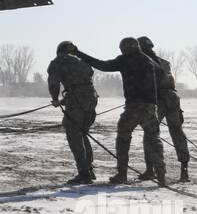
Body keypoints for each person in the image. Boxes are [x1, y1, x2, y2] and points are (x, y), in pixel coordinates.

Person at [72, 38, 167, 186]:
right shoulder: (150, 61)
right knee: (154, 140)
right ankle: (161, 176)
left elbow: (101, 65)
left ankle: (122, 174)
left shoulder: (125, 60)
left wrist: (78, 53)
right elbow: (162, 75)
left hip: (133, 107)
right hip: (150, 107)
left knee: (123, 138)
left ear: (124, 48)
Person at [138, 36, 190, 182]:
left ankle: (150, 170)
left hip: (157, 101)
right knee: (177, 133)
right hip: (173, 99)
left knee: (150, 135)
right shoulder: (165, 63)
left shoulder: (144, 63)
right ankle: (184, 171)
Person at [46, 40, 98, 184]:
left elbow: (53, 82)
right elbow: (88, 76)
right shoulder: (81, 61)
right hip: (91, 98)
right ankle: (89, 169)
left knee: (74, 136)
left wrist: (55, 99)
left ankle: (84, 174)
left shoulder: (57, 62)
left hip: (76, 101)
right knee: (83, 133)